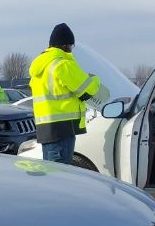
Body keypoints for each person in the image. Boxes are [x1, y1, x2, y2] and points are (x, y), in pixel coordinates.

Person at [28, 23, 108, 164]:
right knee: (61, 177)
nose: (71, 49)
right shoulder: (62, 64)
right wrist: (94, 79)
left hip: (45, 130)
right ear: (65, 45)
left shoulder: (41, 67)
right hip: (63, 129)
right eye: (71, 46)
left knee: (51, 174)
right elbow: (86, 90)